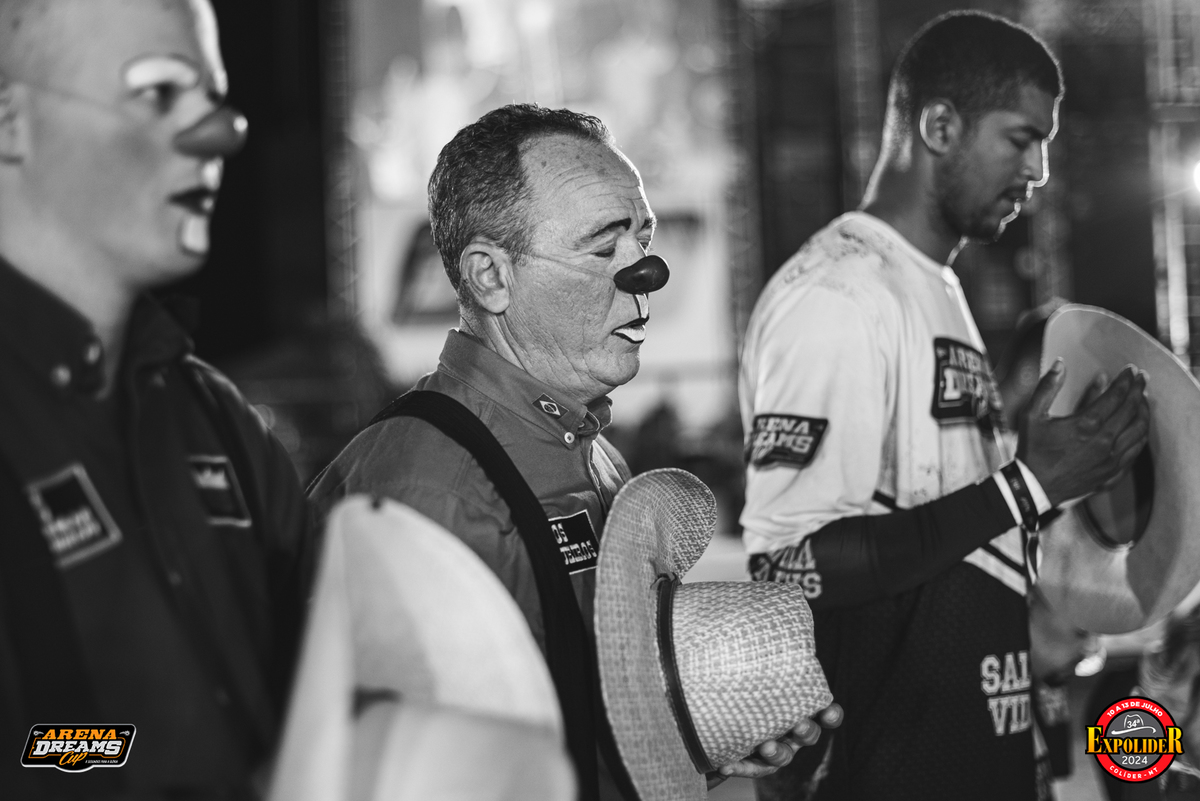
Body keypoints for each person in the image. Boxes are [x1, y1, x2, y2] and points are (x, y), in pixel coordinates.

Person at [310, 103, 841, 801]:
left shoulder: (589, 449)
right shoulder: (429, 492)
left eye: (643, 239)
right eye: (602, 248)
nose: (647, 271)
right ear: (491, 277)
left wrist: (703, 734)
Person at [739, 11, 1150, 800]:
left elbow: (947, 532)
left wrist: (1056, 488)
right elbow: (790, 564)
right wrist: (1027, 485)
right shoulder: (839, 293)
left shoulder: (936, 286)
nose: (1039, 171)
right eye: (1021, 139)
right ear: (938, 126)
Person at [0, 0, 313, 797]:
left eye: (214, 98)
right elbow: (25, 748)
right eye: (159, 92)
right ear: (10, 123)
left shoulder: (220, 421)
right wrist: (159, 760)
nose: (217, 135)